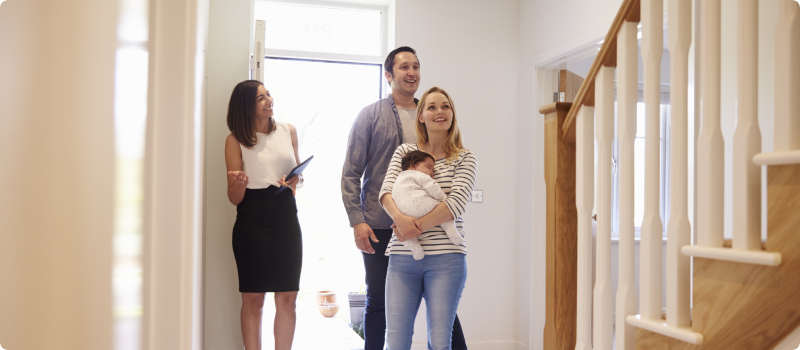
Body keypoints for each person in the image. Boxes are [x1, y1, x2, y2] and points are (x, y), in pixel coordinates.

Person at [341, 47, 468, 349]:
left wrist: (424, 221)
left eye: (416, 66)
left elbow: (452, 175)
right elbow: (351, 172)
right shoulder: (370, 116)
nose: (411, 72)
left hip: (433, 228)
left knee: (444, 313)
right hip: (381, 225)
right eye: (403, 67)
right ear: (388, 75)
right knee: (379, 301)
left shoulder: (430, 114)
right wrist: (357, 221)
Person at [379, 86, 477, 350]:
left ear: (452, 114)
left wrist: (413, 227)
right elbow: (386, 192)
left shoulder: (464, 158)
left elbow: (455, 203)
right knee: (396, 340)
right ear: (420, 116)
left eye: (445, 106)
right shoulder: (404, 153)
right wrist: (400, 218)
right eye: (431, 107)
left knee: (440, 340)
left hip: (447, 260)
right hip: (402, 258)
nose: (439, 111)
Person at [224, 80, 304, 350]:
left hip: (285, 216)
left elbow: (297, 176)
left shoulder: (288, 131)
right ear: (246, 106)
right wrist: (239, 183)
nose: (269, 100)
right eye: (261, 98)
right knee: (254, 299)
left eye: (268, 94)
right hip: (251, 219)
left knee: (288, 297)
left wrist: (294, 181)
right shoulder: (235, 140)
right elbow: (234, 197)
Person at [392, 150, 463, 260]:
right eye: (429, 167)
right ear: (413, 166)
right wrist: (444, 198)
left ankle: (415, 248)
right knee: (443, 209)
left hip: (404, 214)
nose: (431, 172)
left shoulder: (398, 179)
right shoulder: (420, 175)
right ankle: (451, 231)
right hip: (423, 206)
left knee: (406, 236)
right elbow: (433, 188)